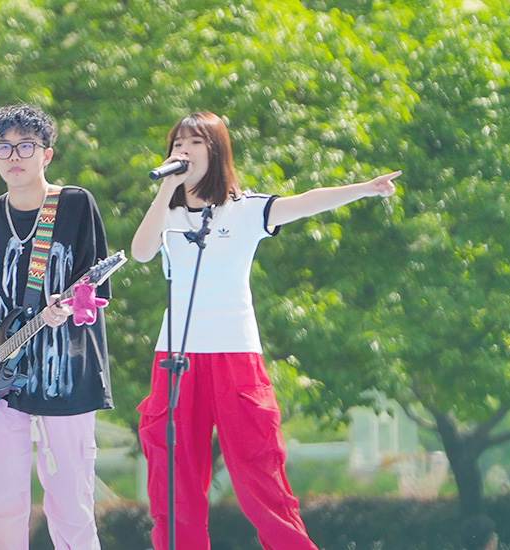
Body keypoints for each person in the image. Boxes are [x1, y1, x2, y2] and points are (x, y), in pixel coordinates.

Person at [128, 112, 399, 550]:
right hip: (175, 357)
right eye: (177, 142)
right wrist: (166, 188)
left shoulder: (247, 208)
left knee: (260, 474)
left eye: (194, 142)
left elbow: (306, 201)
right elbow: (141, 252)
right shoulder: (168, 213)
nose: (183, 150)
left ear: (216, 151)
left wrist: (364, 188)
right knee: (173, 483)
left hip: (235, 356)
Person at [0, 103, 115, 549]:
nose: (14, 155)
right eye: (4, 147)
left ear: (47, 154)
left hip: (67, 374)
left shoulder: (75, 205)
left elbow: (94, 294)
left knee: (70, 500)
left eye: (25, 146)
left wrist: (67, 308)